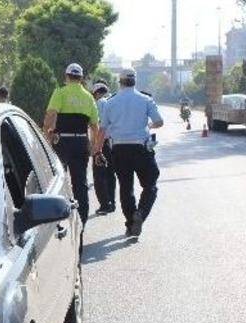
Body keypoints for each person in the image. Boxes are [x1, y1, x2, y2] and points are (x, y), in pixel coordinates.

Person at [96, 68, 164, 238]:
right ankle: (140, 213)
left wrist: (96, 151)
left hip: (119, 150)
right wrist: (148, 126)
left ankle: (130, 224)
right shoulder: (145, 100)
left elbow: (102, 129)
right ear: (135, 81)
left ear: (120, 82)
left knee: (126, 188)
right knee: (150, 185)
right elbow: (159, 121)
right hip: (141, 149)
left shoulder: (110, 102)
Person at [43, 63, 100, 224]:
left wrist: (46, 135)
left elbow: (50, 115)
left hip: (62, 142)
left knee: (58, 180)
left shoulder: (60, 92)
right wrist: (95, 147)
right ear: (81, 78)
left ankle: (58, 220)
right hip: (81, 142)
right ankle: (82, 220)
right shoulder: (88, 97)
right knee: (80, 183)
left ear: (67, 77)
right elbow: (95, 126)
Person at [91, 80, 116, 215]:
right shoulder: (112, 102)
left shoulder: (99, 104)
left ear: (96, 93)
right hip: (113, 143)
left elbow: (99, 127)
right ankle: (112, 202)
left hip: (102, 142)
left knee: (99, 175)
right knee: (110, 174)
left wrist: (95, 147)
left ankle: (104, 205)